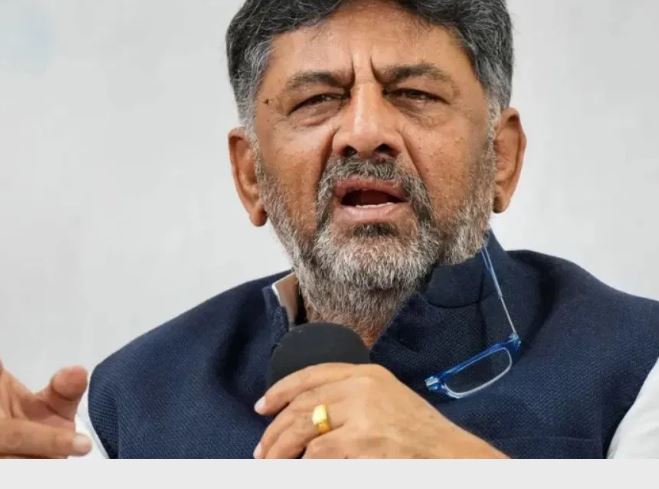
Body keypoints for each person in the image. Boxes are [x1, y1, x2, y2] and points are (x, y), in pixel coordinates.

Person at [1, 0, 658, 459]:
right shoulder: (127, 405)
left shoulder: (639, 364)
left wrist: (458, 464)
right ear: (250, 175)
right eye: (317, 100)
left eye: (415, 94)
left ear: (502, 159)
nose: (364, 132)